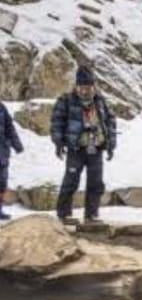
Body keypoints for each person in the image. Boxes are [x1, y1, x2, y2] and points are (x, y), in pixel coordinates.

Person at [51, 66, 116, 224]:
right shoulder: (66, 100)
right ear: (77, 86)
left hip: (96, 148)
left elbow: (110, 121)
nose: (85, 90)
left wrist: (111, 144)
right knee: (71, 181)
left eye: (88, 87)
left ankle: (91, 215)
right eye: (82, 87)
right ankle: (63, 214)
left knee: (96, 183)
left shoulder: (100, 101)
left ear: (93, 86)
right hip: (76, 148)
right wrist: (58, 143)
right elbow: (56, 122)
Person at [0, 101, 24, 221]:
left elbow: (9, 127)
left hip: (2, 152)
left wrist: (17, 144)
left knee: (1, 183)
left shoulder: (1, 107)